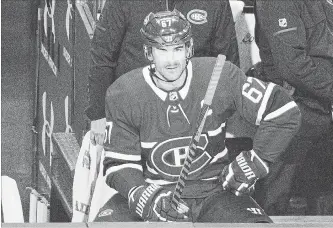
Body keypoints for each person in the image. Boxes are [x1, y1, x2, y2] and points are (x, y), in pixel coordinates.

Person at [94, 9, 301, 223]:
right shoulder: (124, 92)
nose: (171, 60)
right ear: (148, 53)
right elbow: (118, 163)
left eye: (178, 49)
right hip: (156, 190)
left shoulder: (219, 74)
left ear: (189, 48)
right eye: (162, 50)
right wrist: (142, 194)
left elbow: (283, 110)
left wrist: (255, 161)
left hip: (215, 191)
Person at [85, 0, 240, 146]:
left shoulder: (216, 3)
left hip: (192, 117)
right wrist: (99, 114)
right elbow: (102, 56)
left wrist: (221, 118)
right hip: (134, 114)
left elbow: (227, 62)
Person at [252, 0, 333, 215]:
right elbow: (292, 65)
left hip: (323, 110)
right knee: (276, 203)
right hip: (294, 112)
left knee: (323, 202)